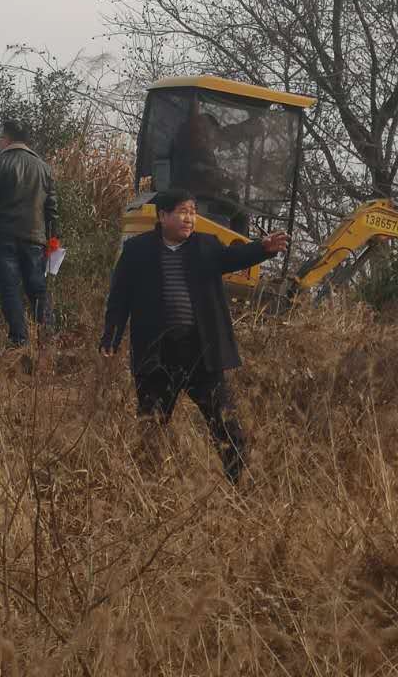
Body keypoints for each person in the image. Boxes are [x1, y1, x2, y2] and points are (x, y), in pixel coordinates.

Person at [99, 187, 288, 482]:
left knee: (226, 425)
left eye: (193, 212)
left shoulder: (206, 246)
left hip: (201, 354)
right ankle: (148, 487)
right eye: (183, 212)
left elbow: (233, 257)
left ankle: (237, 483)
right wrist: (110, 337)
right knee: (151, 426)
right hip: (157, 356)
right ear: (163, 216)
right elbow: (119, 297)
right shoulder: (137, 250)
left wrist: (262, 248)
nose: (190, 218)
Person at [0, 118, 58, 348]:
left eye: (0, 137)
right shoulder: (44, 168)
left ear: (8, 139)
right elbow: (52, 209)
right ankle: (47, 337)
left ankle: (19, 340)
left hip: (3, 236)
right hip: (35, 238)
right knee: (37, 287)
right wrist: (52, 237)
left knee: (10, 287)